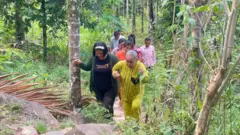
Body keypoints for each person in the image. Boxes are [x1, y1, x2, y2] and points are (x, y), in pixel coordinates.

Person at [73, 42, 119, 115]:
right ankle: (104, 123)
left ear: (105, 52)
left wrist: (117, 74)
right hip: (97, 88)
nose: (99, 55)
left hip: (110, 88)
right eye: (97, 53)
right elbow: (87, 67)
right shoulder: (94, 58)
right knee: (101, 106)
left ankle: (110, 123)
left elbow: (120, 68)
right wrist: (80, 64)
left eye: (100, 53)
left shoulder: (112, 58)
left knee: (107, 105)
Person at [112, 50, 149, 120]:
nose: (128, 64)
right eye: (127, 61)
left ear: (136, 60)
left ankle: (136, 125)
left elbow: (146, 80)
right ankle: (129, 126)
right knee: (127, 113)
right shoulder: (122, 64)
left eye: (131, 62)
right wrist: (115, 74)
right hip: (125, 94)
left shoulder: (140, 67)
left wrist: (143, 74)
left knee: (135, 107)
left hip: (137, 94)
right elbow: (114, 69)